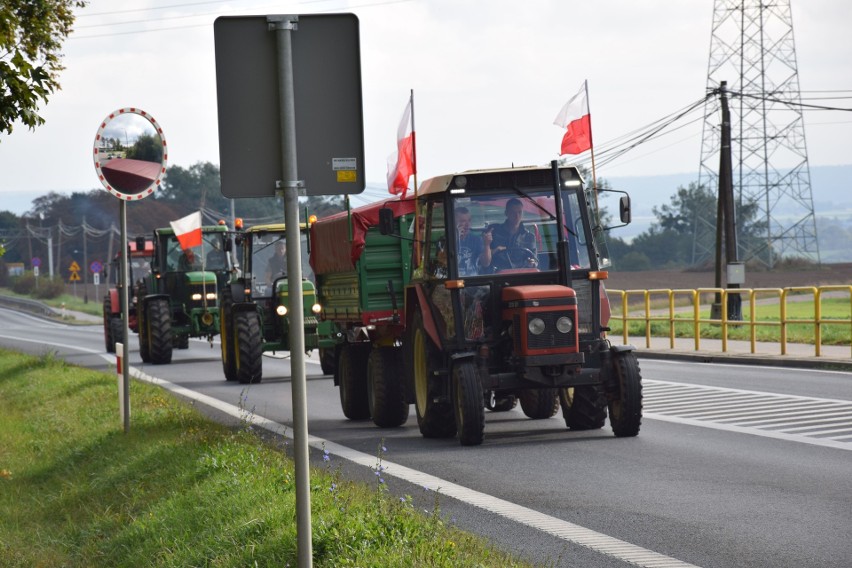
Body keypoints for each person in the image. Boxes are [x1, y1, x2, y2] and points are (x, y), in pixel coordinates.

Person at [478, 197, 537, 272]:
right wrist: (495, 250)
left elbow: (534, 260)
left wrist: (531, 263)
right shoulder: (493, 231)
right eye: (513, 212)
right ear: (506, 213)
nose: (517, 216)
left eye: (519, 212)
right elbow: (482, 260)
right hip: (496, 276)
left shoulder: (529, 237)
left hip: (521, 276)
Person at [455, 206, 483, 276]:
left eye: (469, 220)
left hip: (472, 281)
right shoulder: (444, 241)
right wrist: (456, 237)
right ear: (453, 222)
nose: (467, 225)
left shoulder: (476, 240)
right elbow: (443, 263)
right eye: (463, 221)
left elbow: (485, 263)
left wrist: (487, 245)